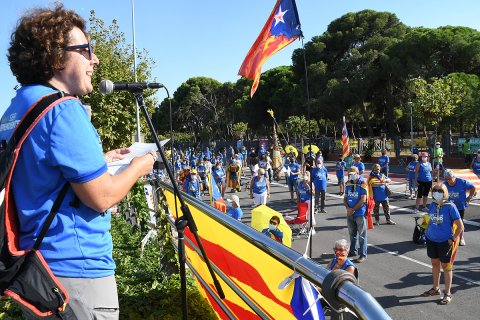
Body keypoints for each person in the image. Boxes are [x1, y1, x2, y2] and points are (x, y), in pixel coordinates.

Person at [0, 5, 157, 318]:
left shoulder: (18, 107)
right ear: (56, 57)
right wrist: (139, 166)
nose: (94, 59)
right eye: (86, 49)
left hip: (37, 270)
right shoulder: (63, 110)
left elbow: (39, 173)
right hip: (77, 272)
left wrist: (102, 159)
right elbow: (102, 198)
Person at [421, 184, 464, 305]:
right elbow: (428, 218)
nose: (436, 193)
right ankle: (435, 288)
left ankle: (448, 292)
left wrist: (452, 238)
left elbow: (460, 226)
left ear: (444, 192)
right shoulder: (433, 204)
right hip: (431, 239)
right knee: (435, 264)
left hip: (445, 242)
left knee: (446, 267)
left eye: (439, 191)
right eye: (434, 191)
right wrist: (423, 229)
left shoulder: (450, 207)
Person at [443, 169, 476, 246]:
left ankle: (461, 238)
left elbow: (472, 187)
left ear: (454, 177)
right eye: (447, 179)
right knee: (448, 223)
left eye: (450, 179)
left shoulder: (462, 182)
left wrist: (469, 197)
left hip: (460, 206)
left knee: (460, 223)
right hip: (449, 207)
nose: (449, 181)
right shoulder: (444, 184)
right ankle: (449, 237)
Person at [344, 167, 368, 263]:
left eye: (352, 174)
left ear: (358, 173)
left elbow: (363, 199)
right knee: (352, 233)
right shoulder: (348, 183)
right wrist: (348, 209)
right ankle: (353, 251)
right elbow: (345, 198)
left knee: (362, 235)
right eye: (349, 174)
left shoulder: (363, 183)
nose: (350, 175)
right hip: (350, 212)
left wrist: (353, 209)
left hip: (359, 213)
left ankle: (363, 255)